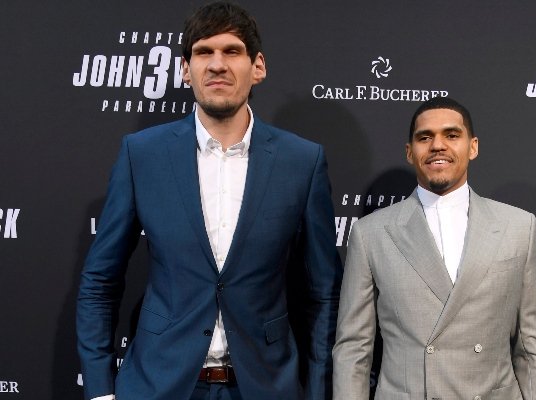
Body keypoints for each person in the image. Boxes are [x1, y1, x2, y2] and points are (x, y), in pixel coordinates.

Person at [76, 2, 342, 400]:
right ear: (186, 70)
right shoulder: (142, 155)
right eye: (203, 52)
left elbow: (323, 292)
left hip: (264, 387)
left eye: (232, 51)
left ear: (258, 67)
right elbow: (100, 280)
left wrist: (321, 390)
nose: (217, 64)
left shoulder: (302, 161)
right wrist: (99, 391)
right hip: (157, 385)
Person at [333, 97, 536, 399]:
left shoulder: (519, 227)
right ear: (410, 152)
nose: (437, 145)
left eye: (452, 135)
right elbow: (354, 349)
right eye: (425, 137)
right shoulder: (371, 233)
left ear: (473, 147)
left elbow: (533, 348)